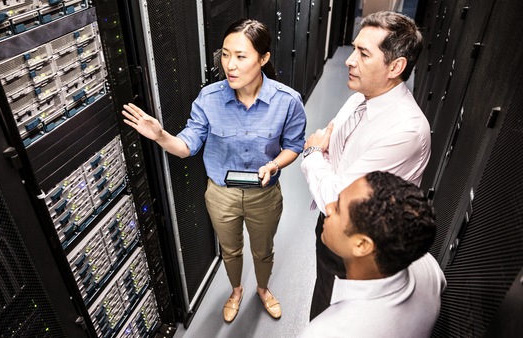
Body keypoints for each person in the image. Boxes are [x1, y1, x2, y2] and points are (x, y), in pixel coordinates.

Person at [122, 19, 306, 322]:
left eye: (241, 56)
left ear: (263, 59)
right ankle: (236, 290)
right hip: (221, 195)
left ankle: (262, 288)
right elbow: (187, 146)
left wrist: (273, 164)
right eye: (224, 54)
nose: (229, 65)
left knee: (263, 250)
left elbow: (294, 145)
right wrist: (160, 135)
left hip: (264, 193)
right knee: (230, 250)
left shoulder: (287, 101)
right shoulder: (209, 99)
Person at [301, 11, 431, 320]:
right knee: (323, 289)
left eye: (363, 53)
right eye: (353, 48)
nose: (349, 60)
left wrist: (311, 156)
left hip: (357, 247)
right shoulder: (362, 96)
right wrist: (325, 156)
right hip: (334, 225)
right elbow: (332, 137)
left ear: (395, 67)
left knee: (330, 316)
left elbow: (334, 196)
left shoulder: (405, 131)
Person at [300, 171, 446, 337]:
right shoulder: (428, 266)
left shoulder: (326, 332)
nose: (328, 207)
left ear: (362, 245)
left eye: (338, 208)